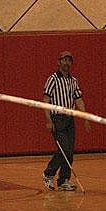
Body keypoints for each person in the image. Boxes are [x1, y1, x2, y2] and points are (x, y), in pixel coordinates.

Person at [42, 51, 90, 191]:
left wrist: (85, 117)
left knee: (69, 151)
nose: (67, 63)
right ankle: (48, 173)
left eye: (69, 60)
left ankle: (64, 179)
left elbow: (78, 99)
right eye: (64, 60)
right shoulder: (52, 79)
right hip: (57, 118)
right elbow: (45, 100)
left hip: (69, 118)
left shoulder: (73, 81)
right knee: (64, 149)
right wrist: (48, 120)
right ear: (59, 62)